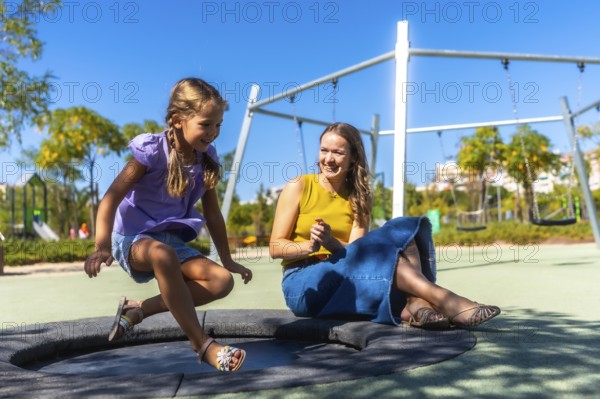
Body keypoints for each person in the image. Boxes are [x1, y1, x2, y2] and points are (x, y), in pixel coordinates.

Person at [84, 78, 252, 372]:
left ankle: (138, 310)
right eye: (205, 124)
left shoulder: (206, 159)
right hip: (132, 238)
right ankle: (203, 345)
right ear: (177, 120)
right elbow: (110, 199)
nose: (213, 133)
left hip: (169, 241)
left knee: (221, 281)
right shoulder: (150, 152)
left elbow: (213, 215)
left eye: (218, 125)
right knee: (162, 254)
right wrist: (100, 246)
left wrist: (228, 261)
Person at [270, 122, 500, 329]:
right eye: (324, 150)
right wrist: (310, 246)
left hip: (347, 277)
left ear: (353, 158)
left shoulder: (359, 197)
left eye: (338, 152)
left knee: (404, 227)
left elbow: (357, 253)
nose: (328, 159)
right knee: (389, 257)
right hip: (304, 283)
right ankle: (444, 300)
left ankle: (417, 305)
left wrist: (330, 242)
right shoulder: (299, 185)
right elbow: (275, 248)